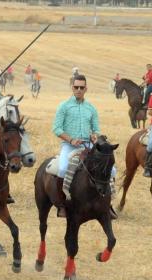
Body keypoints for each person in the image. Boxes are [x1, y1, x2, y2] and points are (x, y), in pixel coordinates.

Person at [52, 74, 106, 217]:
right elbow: (56, 128)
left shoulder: (91, 108)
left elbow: (96, 129)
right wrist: (71, 140)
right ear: (72, 87)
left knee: (109, 170)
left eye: (82, 87)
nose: (79, 90)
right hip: (69, 145)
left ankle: (107, 204)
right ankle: (62, 204)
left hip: (87, 146)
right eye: (76, 87)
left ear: (86, 89)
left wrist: (95, 135)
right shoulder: (64, 106)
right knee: (63, 169)